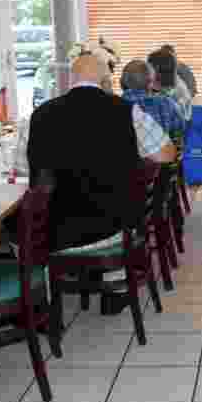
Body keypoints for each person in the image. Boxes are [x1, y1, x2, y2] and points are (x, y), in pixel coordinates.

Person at [28, 53, 176, 253]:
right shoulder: (127, 111)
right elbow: (166, 154)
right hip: (115, 227)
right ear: (106, 81)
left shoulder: (39, 115)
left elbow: (23, 170)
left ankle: (49, 275)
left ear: (71, 78)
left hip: (58, 232)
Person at [121, 60, 187, 137]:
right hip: (160, 147)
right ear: (151, 81)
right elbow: (180, 128)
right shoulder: (166, 103)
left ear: (123, 81)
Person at [148, 48, 192, 121]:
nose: (147, 71)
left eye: (149, 67)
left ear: (157, 69)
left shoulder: (177, 91)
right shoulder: (163, 84)